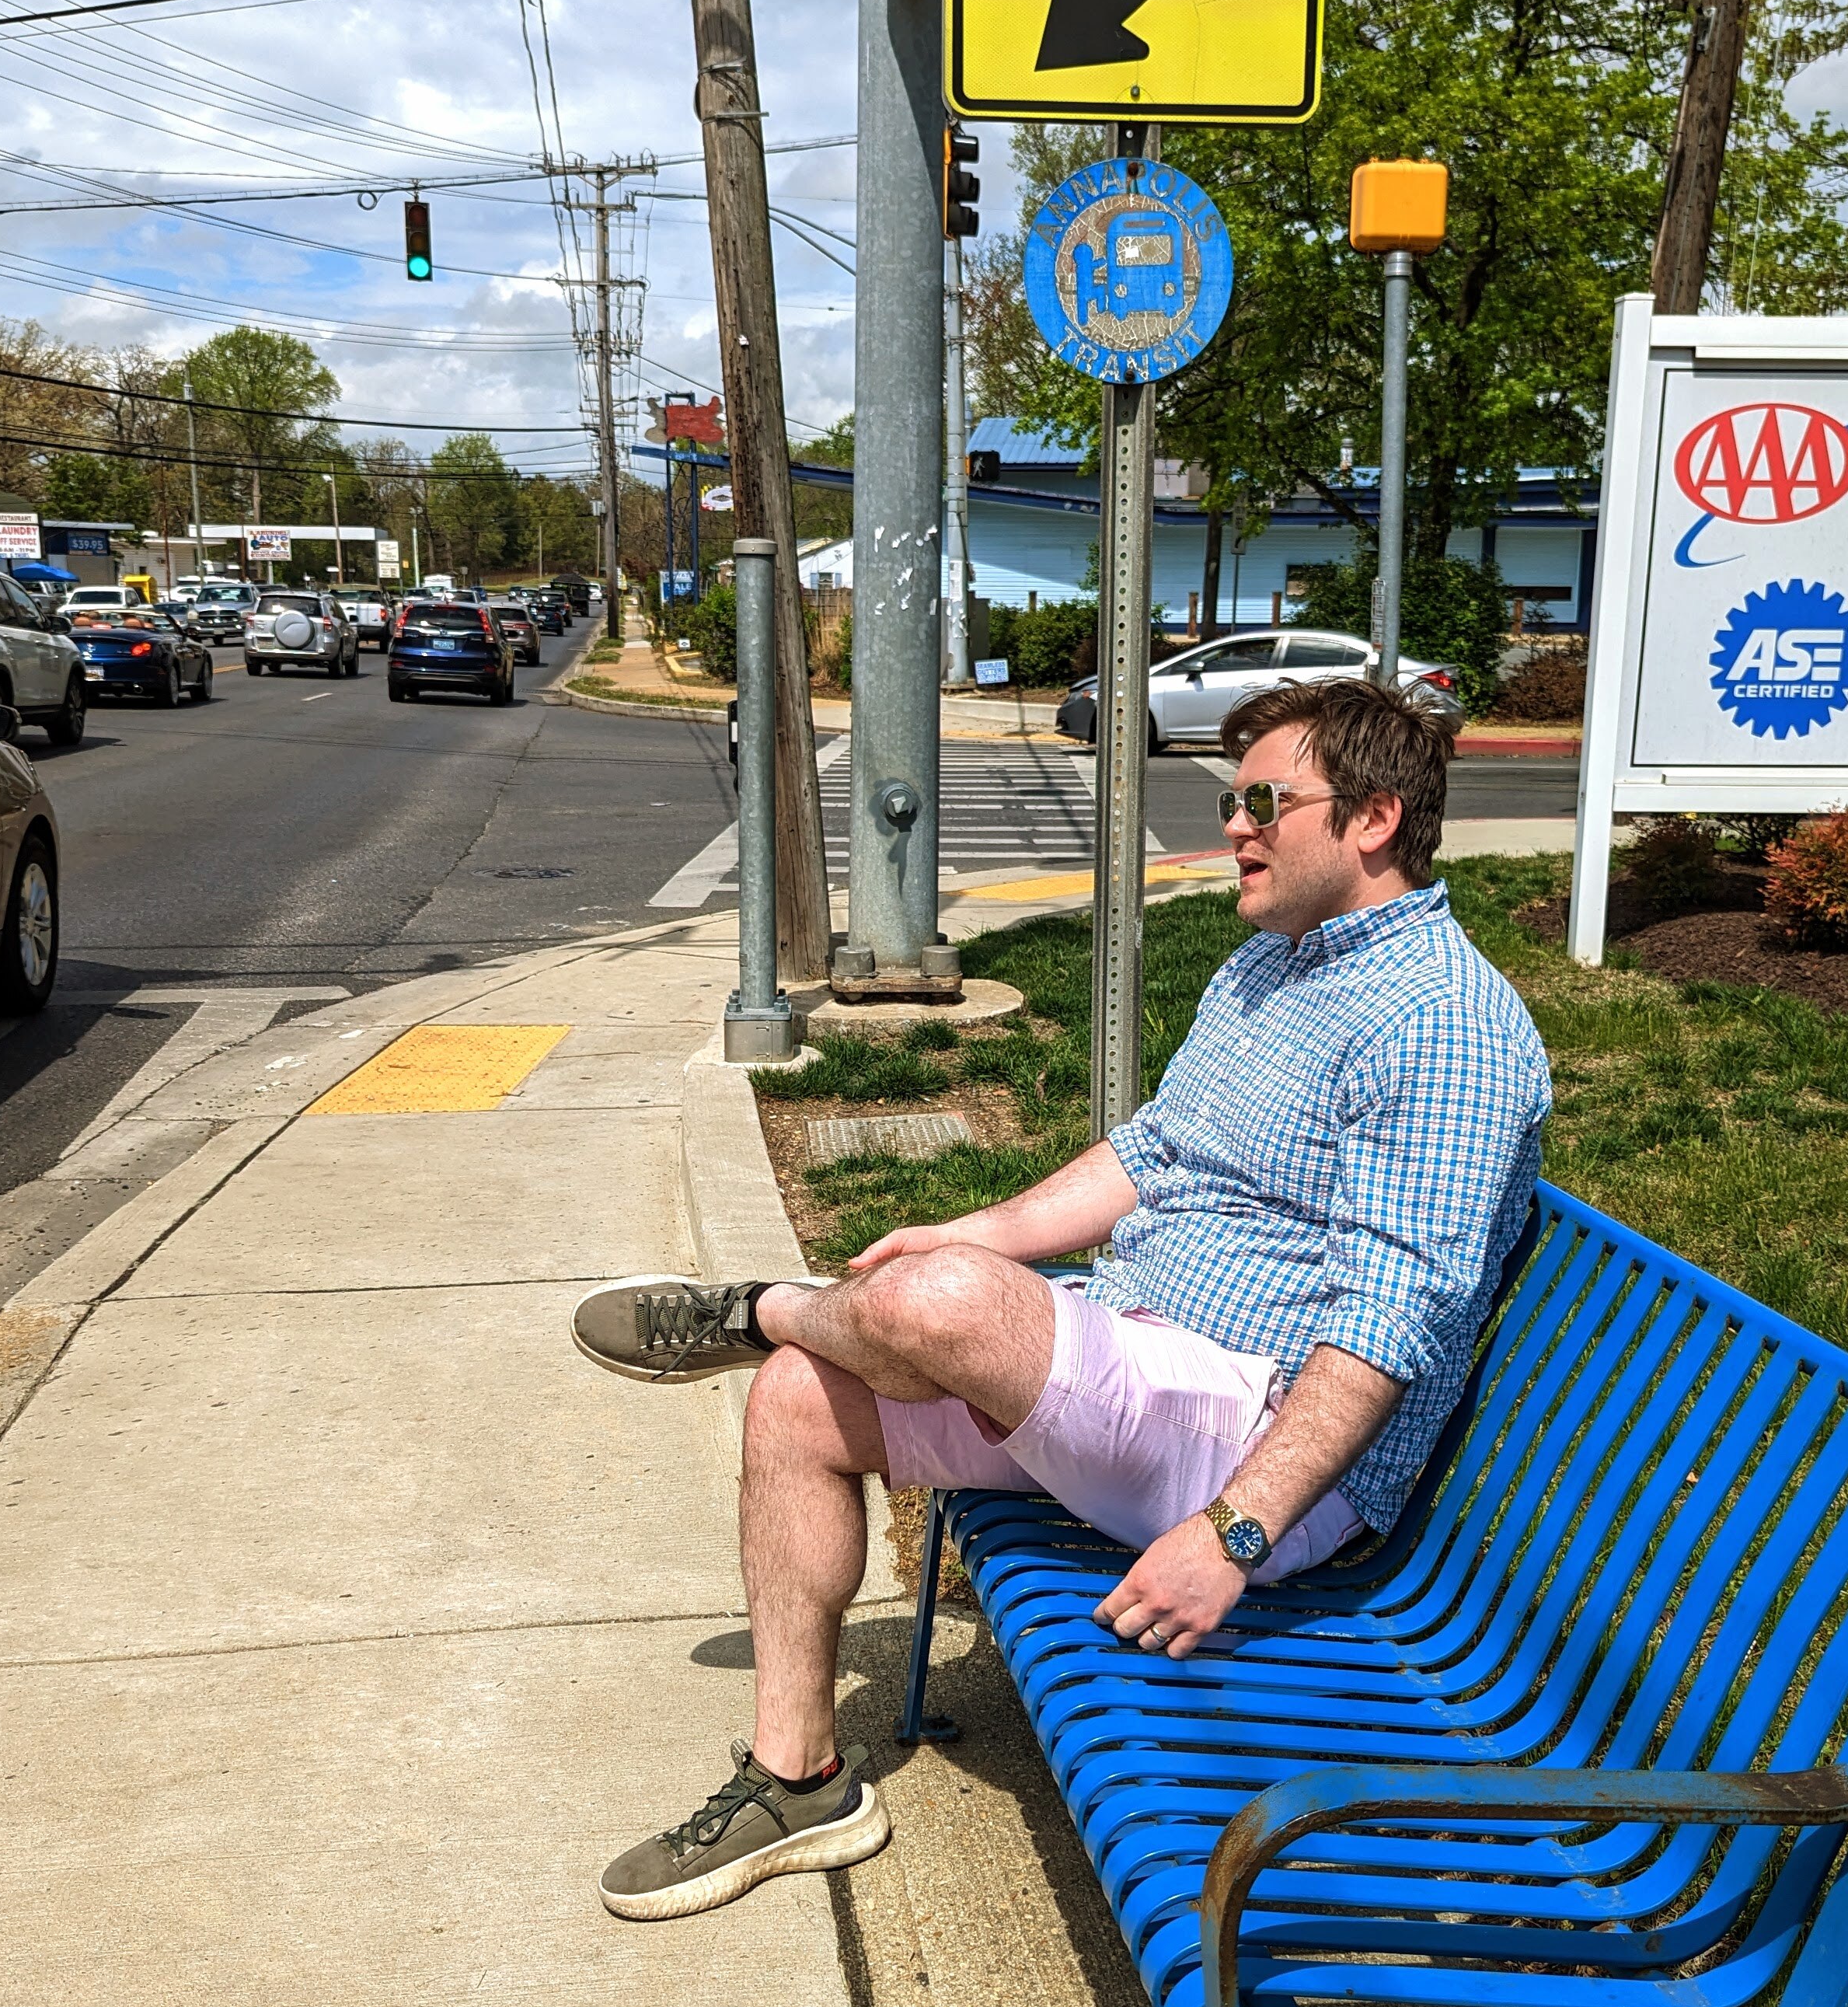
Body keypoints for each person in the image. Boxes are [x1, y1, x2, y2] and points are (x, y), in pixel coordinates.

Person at [571, 675, 1553, 1921]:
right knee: (798, 1402)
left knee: (940, 1307)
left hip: (1257, 1435)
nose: (1234, 824)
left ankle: (765, 1307)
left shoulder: (1447, 1026)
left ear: (1373, 820)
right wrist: (970, 1232)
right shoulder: (1271, 965)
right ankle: (799, 1779)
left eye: (1265, 803)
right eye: (1233, 799)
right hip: (1143, 1356)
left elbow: (1384, 1326)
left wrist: (1234, 1533)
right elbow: (1153, 1153)